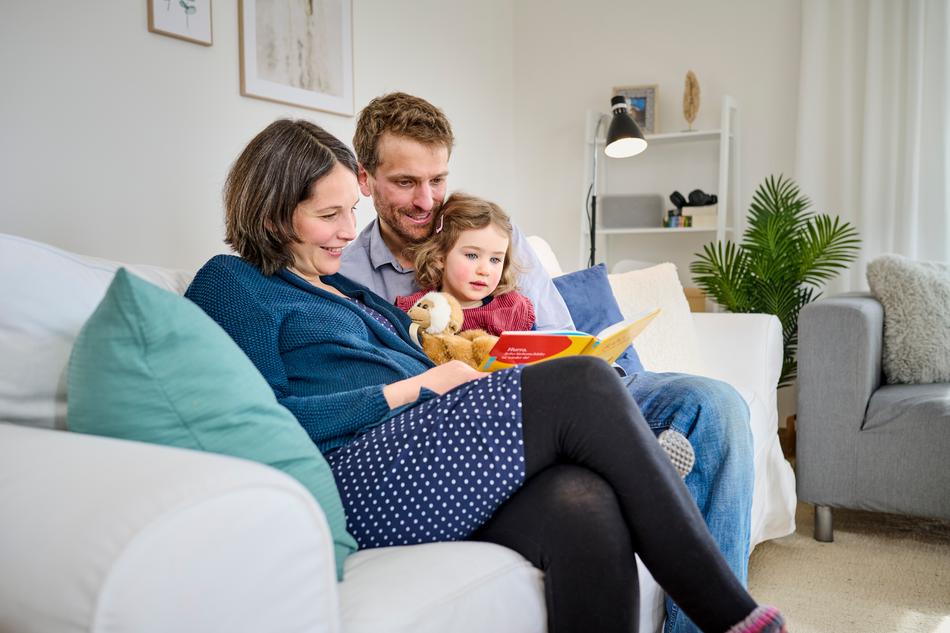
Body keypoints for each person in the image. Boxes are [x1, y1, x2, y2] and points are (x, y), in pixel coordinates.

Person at [185, 119, 786, 633]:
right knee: (582, 384)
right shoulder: (232, 284)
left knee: (584, 502)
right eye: (328, 215)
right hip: (354, 473)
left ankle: (619, 465)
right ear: (270, 214)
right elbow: (262, 426)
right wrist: (417, 386)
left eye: (352, 212)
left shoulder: (339, 287)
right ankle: (732, 614)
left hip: (427, 448)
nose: (348, 230)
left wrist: (463, 378)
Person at [339, 92, 755, 633]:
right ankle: (637, 460)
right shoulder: (343, 273)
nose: (426, 201)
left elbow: (559, 334)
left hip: (577, 390)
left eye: (437, 179)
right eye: (405, 183)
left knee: (716, 405)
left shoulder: (488, 230)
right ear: (365, 178)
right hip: (491, 416)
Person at [394, 191, 536, 333]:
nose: (484, 270)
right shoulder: (417, 310)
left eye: (495, 259)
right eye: (472, 256)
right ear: (440, 257)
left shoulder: (514, 309)